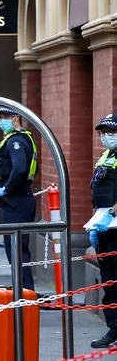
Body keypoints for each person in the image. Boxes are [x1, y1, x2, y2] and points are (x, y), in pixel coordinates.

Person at [0, 107, 38, 291]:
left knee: (16, 249)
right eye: (0, 117)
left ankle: (25, 291)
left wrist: (6, 189)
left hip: (16, 202)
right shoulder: (22, 138)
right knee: (16, 248)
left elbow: (19, 169)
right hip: (18, 201)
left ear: (16, 118)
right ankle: (22, 288)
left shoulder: (16, 142)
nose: (2, 120)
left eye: (6, 117)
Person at [89, 113, 117, 348]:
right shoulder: (105, 157)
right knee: (109, 283)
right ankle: (114, 330)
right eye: (103, 132)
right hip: (104, 228)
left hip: (115, 226)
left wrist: (111, 214)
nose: (105, 137)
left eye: (111, 132)